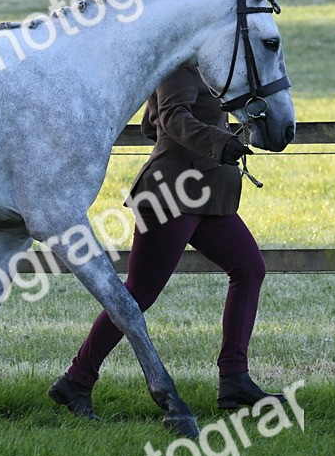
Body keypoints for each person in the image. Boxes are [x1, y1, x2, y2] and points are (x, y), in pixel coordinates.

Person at [49, 64, 284, 419]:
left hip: (207, 195)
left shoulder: (206, 65)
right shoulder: (180, 65)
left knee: (250, 269)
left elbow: (151, 124)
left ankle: (234, 377)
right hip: (170, 196)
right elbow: (172, 116)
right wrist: (219, 141)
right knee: (138, 293)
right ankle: (75, 381)